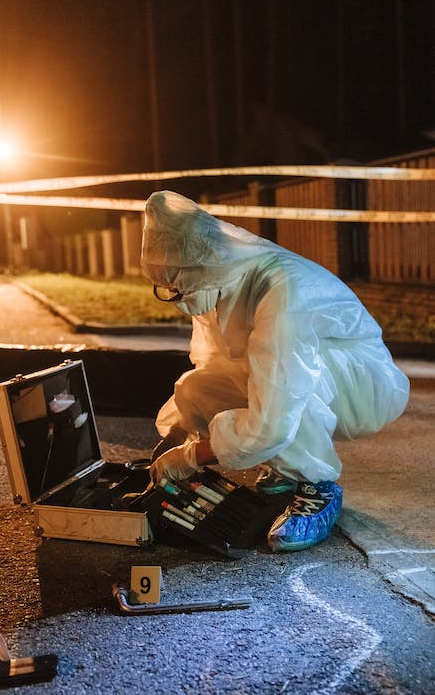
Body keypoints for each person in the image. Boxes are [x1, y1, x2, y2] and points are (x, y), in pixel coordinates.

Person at [140, 190, 410, 552]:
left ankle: (318, 487)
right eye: (168, 286)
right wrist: (178, 438)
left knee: (286, 387)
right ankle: (284, 468)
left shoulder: (281, 289)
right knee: (195, 389)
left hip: (360, 381)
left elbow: (277, 412)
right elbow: (214, 365)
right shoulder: (218, 283)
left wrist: (194, 457)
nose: (177, 294)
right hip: (299, 376)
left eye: (179, 284)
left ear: (204, 265)